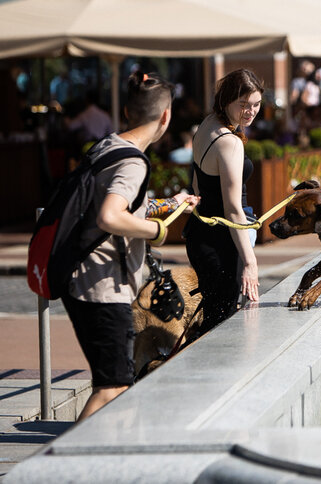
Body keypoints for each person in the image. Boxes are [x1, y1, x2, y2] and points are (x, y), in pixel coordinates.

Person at [61, 71, 199, 420]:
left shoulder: (108, 145)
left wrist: (168, 205)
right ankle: (63, 465)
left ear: (125, 112)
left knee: (115, 385)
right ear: (166, 116)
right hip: (102, 287)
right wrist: (155, 231)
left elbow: (117, 206)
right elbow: (109, 216)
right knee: (112, 389)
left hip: (86, 282)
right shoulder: (133, 162)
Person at [184, 68, 263, 340]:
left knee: (214, 320)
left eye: (256, 104)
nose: (250, 111)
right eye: (243, 105)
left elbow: (196, 185)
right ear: (226, 100)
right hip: (221, 244)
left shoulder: (207, 125)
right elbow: (232, 210)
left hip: (200, 234)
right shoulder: (230, 143)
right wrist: (250, 262)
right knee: (222, 330)